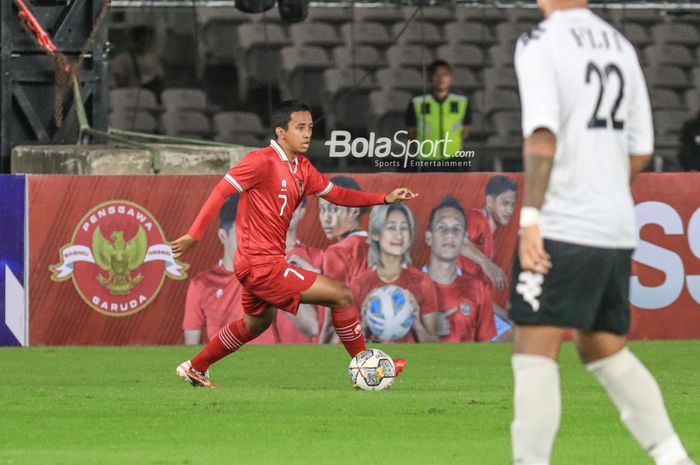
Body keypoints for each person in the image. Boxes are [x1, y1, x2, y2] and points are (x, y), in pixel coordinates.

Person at [509, 1, 696, 465]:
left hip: (562, 222)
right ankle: (673, 458)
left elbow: (541, 136)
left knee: (535, 345)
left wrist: (532, 218)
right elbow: (642, 149)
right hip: (613, 225)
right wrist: (603, 192)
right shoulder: (621, 45)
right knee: (602, 345)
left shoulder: (540, 41)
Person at [172, 100, 417, 388]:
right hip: (260, 264)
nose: (307, 134)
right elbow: (221, 191)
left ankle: (196, 367)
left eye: (310, 128)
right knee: (341, 294)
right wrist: (194, 234)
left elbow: (336, 194)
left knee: (256, 324)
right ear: (280, 132)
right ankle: (366, 369)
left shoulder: (302, 168)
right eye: (299, 128)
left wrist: (383, 198)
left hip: (263, 262)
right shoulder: (260, 161)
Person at [182, 195, 317, 346]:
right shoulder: (201, 284)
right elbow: (191, 346)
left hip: (267, 365)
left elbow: (311, 327)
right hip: (226, 366)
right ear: (223, 235)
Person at [349, 204, 438, 343]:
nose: (399, 235)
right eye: (391, 228)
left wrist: (418, 326)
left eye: (404, 228)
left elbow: (436, 349)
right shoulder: (358, 285)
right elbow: (341, 352)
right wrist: (364, 324)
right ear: (376, 234)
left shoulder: (422, 281)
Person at [423, 196, 496, 343]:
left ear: (464, 240)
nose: (449, 234)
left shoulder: (478, 289)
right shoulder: (408, 287)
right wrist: (425, 328)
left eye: (456, 229)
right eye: (442, 227)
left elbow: (487, 353)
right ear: (429, 237)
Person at [459, 175, 519, 340]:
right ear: (490, 201)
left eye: (512, 205)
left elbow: (480, 297)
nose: (509, 210)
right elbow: (458, 240)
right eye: (504, 203)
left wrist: (506, 315)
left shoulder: (489, 239)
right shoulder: (476, 217)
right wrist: (486, 262)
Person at [317, 176, 371, 343]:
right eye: (322, 209)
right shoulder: (376, 243)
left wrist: (322, 346)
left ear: (354, 211)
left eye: (333, 210)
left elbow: (332, 313)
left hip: (344, 338)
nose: (326, 218)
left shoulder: (336, 252)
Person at [405, 59, 472, 161]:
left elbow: (465, 129)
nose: (441, 78)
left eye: (445, 74)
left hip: (455, 159)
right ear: (429, 77)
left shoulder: (462, 101)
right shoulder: (417, 101)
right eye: (436, 74)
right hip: (427, 159)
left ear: (450, 78)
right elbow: (411, 131)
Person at [109, 25, 165, 96]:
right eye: (143, 41)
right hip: (130, 95)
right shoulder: (122, 59)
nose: (146, 44)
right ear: (134, 40)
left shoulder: (153, 57)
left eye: (148, 42)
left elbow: (159, 78)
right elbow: (119, 81)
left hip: (151, 95)